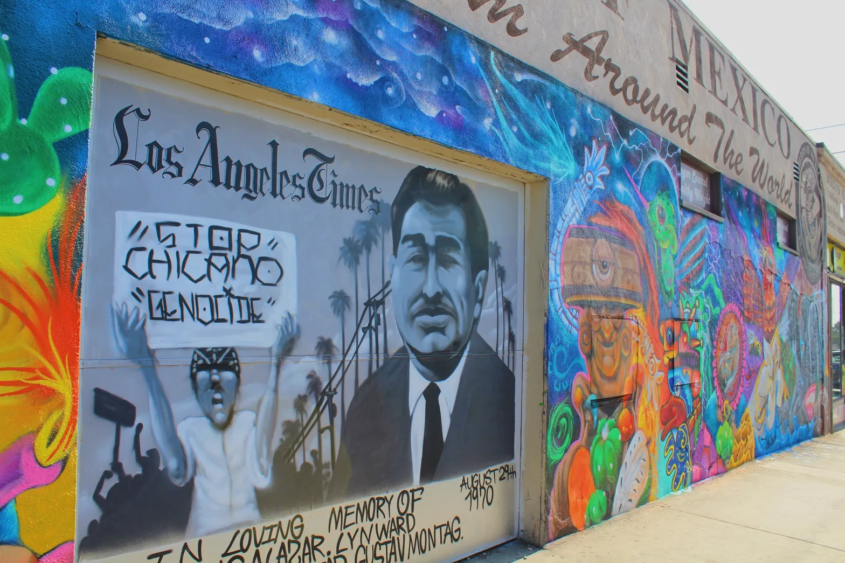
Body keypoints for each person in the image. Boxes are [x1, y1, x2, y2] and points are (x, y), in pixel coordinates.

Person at [332, 166, 515, 499]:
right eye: (416, 257)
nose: (430, 289)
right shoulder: (365, 407)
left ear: (477, 289)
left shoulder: (511, 405)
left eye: (447, 260)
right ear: (393, 278)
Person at [112, 305, 299, 537]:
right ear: (196, 390)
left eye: (224, 370)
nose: (214, 379)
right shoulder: (192, 430)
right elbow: (177, 466)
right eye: (205, 372)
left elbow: (261, 455)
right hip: (204, 542)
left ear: (237, 386)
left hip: (251, 540)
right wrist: (145, 364)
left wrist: (277, 363)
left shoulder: (247, 423)